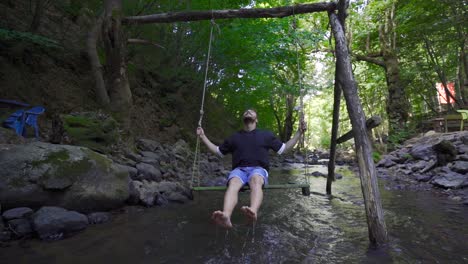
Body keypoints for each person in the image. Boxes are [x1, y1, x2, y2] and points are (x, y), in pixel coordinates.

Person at [196, 109, 306, 228]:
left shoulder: (266, 135)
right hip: (239, 170)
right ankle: (226, 216)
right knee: (233, 182)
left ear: (256, 119)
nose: (248, 112)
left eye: (251, 112)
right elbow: (218, 151)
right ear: (243, 119)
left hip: (258, 169)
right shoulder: (234, 137)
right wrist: (202, 136)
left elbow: (284, 149)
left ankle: (252, 211)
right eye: (245, 112)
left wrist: (299, 133)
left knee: (256, 179)